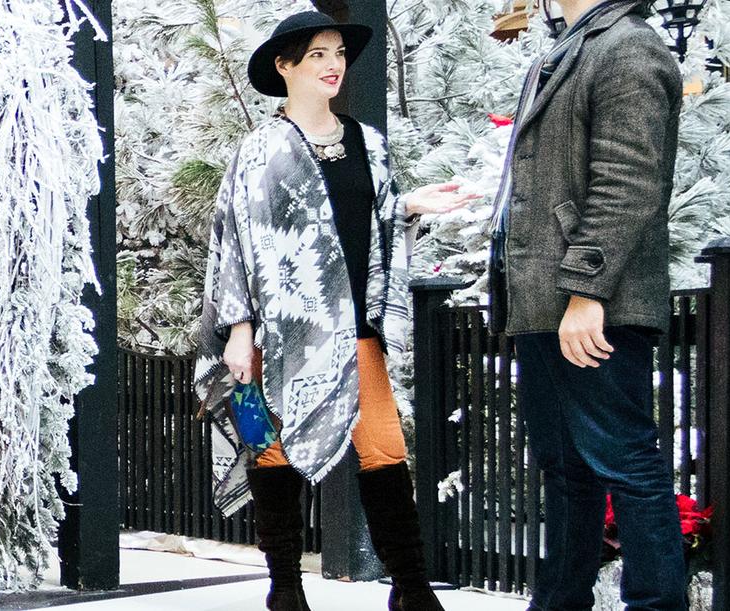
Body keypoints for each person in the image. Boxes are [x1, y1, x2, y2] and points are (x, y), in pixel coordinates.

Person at [193, 12, 479, 611]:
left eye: (340, 52)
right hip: (278, 333)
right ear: (284, 65)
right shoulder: (258, 152)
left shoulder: (367, 143)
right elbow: (236, 245)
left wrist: (407, 206)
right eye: (318, 53)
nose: (333, 64)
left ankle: (411, 587)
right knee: (271, 447)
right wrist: (239, 332)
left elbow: (371, 226)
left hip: (354, 329)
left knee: (383, 448)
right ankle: (286, 588)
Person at [487, 0, 685, 608]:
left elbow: (629, 183)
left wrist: (586, 291)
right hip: (547, 300)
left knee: (626, 464)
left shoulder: (629, 46)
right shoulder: (570, 45)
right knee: (565, 470)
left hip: (592, 303)